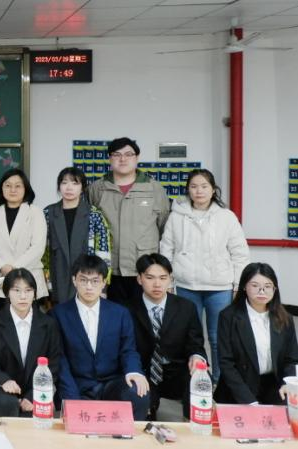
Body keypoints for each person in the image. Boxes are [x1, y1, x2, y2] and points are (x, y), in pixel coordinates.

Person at [160, 168, 249, 382]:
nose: (199, 191)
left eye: (204, 186)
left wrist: (238, 285)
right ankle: (191, 381)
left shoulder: (226, 217)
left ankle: (220, 381)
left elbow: (240, 253)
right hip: (185, 286)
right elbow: (166, 250)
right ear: (188, 190)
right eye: (193, 186)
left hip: (219, 287)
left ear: (213, 189)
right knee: (187, 337)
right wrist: (168, 282)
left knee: (218, 338)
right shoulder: (176, 216)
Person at [52, 254, 150, 420]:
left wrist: (134, 371)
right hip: (77, 385)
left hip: (111, 383)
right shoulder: (58, 314)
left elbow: (128, 350)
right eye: (83, 280)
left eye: (95, 281)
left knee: (138, 391)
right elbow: (60, 360)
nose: (89, 287)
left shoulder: (119, 313)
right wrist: (72, 397)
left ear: (104, 282)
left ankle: (130, 435)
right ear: (74, 280)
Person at [87, 137, 169, 305]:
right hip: (108, 268)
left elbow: (163, 227)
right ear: (109, 158)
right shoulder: (97, 188)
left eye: (128, 154)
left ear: (137, 158)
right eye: (117, 154)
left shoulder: (154, 188)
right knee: (112, 315)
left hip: (144, 268)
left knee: (143, 316)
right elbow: (90, 227)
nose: (122, 159)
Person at [127, 254, 206, 420]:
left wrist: (196, 356)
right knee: (143, 410)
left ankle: (192, 425)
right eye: (150, 278)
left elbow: (196, 343)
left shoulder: (186, 307)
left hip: (176, 371)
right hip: (143, 371)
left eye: (163, 278)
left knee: (200, 379)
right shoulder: (126, 309)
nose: (157, 284)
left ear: (170, 279)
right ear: (139, 279)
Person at [0, 269, 62, 417]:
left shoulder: (48, 324)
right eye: (16, 290)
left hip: (35, 386)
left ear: (34, 294)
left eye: (28, 290)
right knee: (7, 404)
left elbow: (54, 364)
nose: (23, 296)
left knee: (32, 413)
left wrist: (32, 395)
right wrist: (4, 381)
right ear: (7, 293)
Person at [215, 263, 298, 405]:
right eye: (255, 285)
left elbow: (291, 359)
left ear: (275, 289)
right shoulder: (228, 317)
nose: (262, 291)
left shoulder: (285, 318)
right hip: (239, 387)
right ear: (244, 287)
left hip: (274, 385)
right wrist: (248, 400)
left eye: (268, 286)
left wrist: (288, 384)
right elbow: (226, 363)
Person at [43, 167, 112, 304]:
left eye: (75, 183)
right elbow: (42, 250)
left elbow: (104, 251)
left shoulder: (94, 215)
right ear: (59, 187)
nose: (69, 188)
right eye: (64, 183)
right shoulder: (48, 213)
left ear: (82, 188)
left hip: (88, 277)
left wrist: (103, 284)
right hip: (56, 276)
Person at [0, 169, 48, 312]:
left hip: (28, 275)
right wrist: (2, 266)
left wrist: (14, 269)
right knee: (4, 319)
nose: (12, 190)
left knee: (30, 320)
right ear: (1, 188)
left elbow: (38, 247)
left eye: (18, 186)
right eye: (8, 185)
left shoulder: (35, 212)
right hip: (1, 276)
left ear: (25, 188)